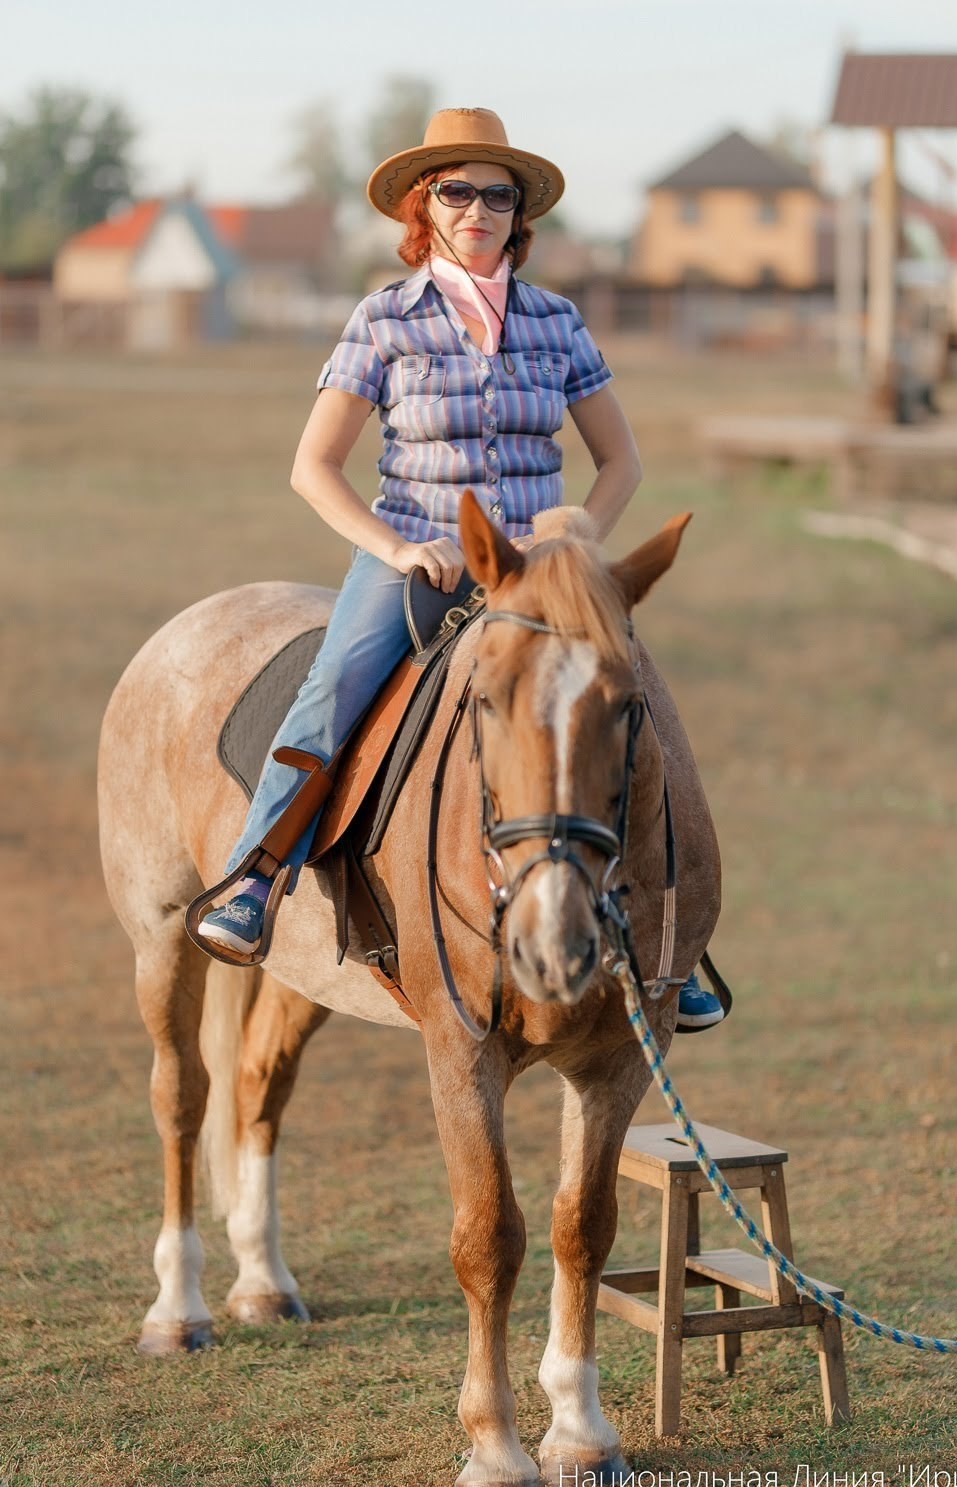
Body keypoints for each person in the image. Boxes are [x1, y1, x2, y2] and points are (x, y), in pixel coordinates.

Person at [195, 106, 725, 1030]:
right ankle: (259, 874)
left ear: (519, 214)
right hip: (419, 557)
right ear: (424, 206)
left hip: (539, 575)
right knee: (333, 691)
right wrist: (398, 547)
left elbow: (622, 465)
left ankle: (678, 940)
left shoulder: (558, 322)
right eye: (456, 189)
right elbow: (311, 468)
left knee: (633, 703)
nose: (477, 206)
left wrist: (578, 552)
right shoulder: (383, 319)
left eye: (497, 193)